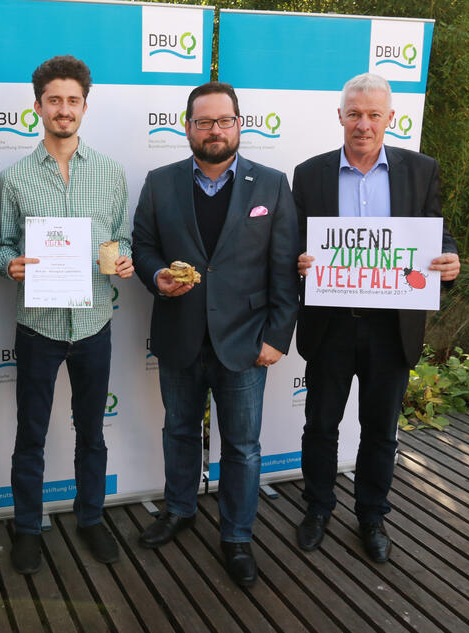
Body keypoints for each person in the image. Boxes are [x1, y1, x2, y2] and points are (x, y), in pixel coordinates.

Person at [132, 82, 299, 588]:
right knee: (179, 432)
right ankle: (180, 510)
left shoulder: (271, 184)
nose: (214, 130)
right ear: (187, 127)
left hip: (245, 342)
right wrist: (156, 275)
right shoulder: (160, 182)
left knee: (243, 447)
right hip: (180, 335)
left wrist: (277, 336)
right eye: (203, 122)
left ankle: (238, 536)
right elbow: (143, 246)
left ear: (238, 125)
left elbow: (284, 269)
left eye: (224, 121)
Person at [294, 73, 460, 563]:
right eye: (354, 114)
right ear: (340, 117)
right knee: (320, 425)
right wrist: (298, 260)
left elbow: (436, 234)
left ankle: (372, 516)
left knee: (381, 430)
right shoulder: (310, 173)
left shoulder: (421, 170)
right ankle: (318, 508)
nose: (363, 124)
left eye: (373, 115)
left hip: (392, 327)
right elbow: (293, 241)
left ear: (390, 118)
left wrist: (449, 259)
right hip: (331, 324)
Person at [0, 55, 133, 575]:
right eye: (54, 100)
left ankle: (91, 518)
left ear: (84, 107)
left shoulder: (111, 173)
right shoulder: (15, 178)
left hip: (95, 323)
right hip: (39, 327)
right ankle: (28, 527)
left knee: (91, 431)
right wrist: (10, 265)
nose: (64, 109)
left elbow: (123, 237)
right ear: (38, 107)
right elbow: (4, 245)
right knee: (30, 433)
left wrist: (125, 259)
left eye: (73, 100)